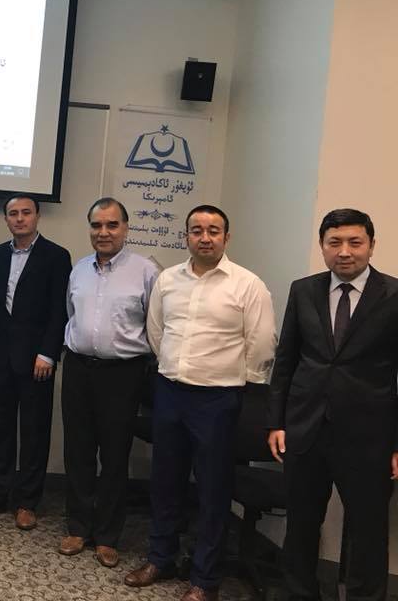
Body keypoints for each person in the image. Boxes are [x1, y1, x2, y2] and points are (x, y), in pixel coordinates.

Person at [125, 204, 276, 601]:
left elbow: (262, 344)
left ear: (226, 237)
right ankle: (161, 558)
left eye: (213, 231)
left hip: (219, 399)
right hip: (171, 393)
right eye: (196, 230)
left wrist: (233, 381)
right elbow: (156, 332)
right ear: (186, 236)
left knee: (212, 490)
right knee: (165, 481)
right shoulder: (168, 280)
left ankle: (205, 579)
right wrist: (177, 367)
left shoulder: (247, 285)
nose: (204, 237)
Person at [268, 209, 398, 601]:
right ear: (323, 246)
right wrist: (277, 422)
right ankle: (299, 593)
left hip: (370, 437)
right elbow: (286, 360)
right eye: (334, 242)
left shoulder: (393, 295)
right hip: (306, 429)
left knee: (368, 529)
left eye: (355, 242)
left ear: (371, 246)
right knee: (302, 524)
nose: (344, 251)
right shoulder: (303, 290)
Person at [60, 197, 158, 566]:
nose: (103, 232)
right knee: (78, 450)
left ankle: (107, 535)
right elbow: (71, 314)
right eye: (97, 225)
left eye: (112, 225)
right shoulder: (79, 269)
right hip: (78, 368)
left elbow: (156, 325)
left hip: (123, 374)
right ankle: (78, 527)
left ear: (126, 228)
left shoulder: (146, 271)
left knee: (115, 455)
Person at [0, 193, 71, 530]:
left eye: (26, 212)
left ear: (37, 216)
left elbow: (59, 310)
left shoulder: (56, 256)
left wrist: (48, 352)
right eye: (13, 213)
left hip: (36, 360)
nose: (20, 218)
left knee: (34, 431)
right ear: (6, 219)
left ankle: (27, 501)